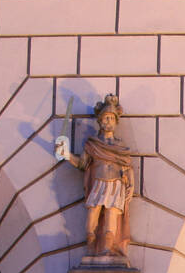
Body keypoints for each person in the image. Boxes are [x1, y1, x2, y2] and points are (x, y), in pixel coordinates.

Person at [57, 94, 134, 258]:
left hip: (116, 184)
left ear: (116, 122)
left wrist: (132, 184)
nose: (108, 122)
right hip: (98, 183)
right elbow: (82, 164)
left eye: (111, 119)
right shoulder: (92, 144)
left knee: (111, 217)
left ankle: (107, 247)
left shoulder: (120, 146)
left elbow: (127, 167)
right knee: (93, 215)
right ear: (100, 121)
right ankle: (91, 247)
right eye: (105, 118)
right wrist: (67, 155)